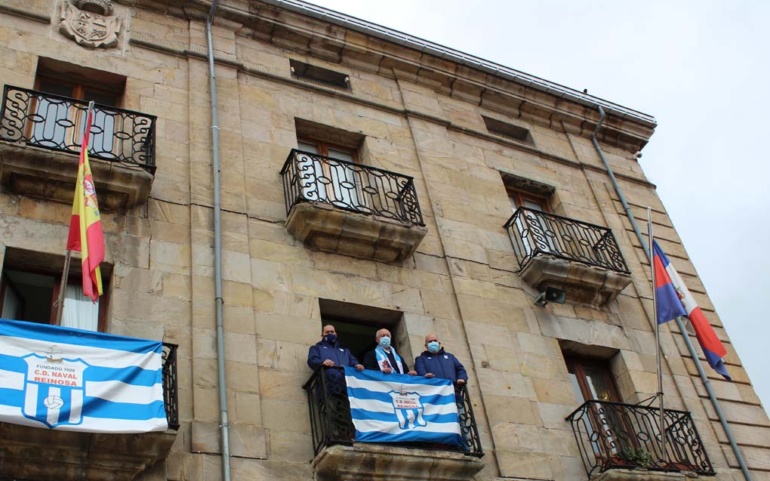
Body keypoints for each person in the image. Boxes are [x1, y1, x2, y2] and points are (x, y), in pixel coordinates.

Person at [307, 324, 364, 441]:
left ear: (336, 334)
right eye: (327, 332)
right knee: (331, 412)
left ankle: (348, 437)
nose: (330, 334)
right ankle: (335, 437)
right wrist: (322, 362)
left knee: (347, 413)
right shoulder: (316, 348)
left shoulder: (345, 351)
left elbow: (353, 362)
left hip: (345, 388)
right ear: (322, 334)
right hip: (328, 387)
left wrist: (358, 365)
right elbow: (312, 360)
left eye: (332, 332)